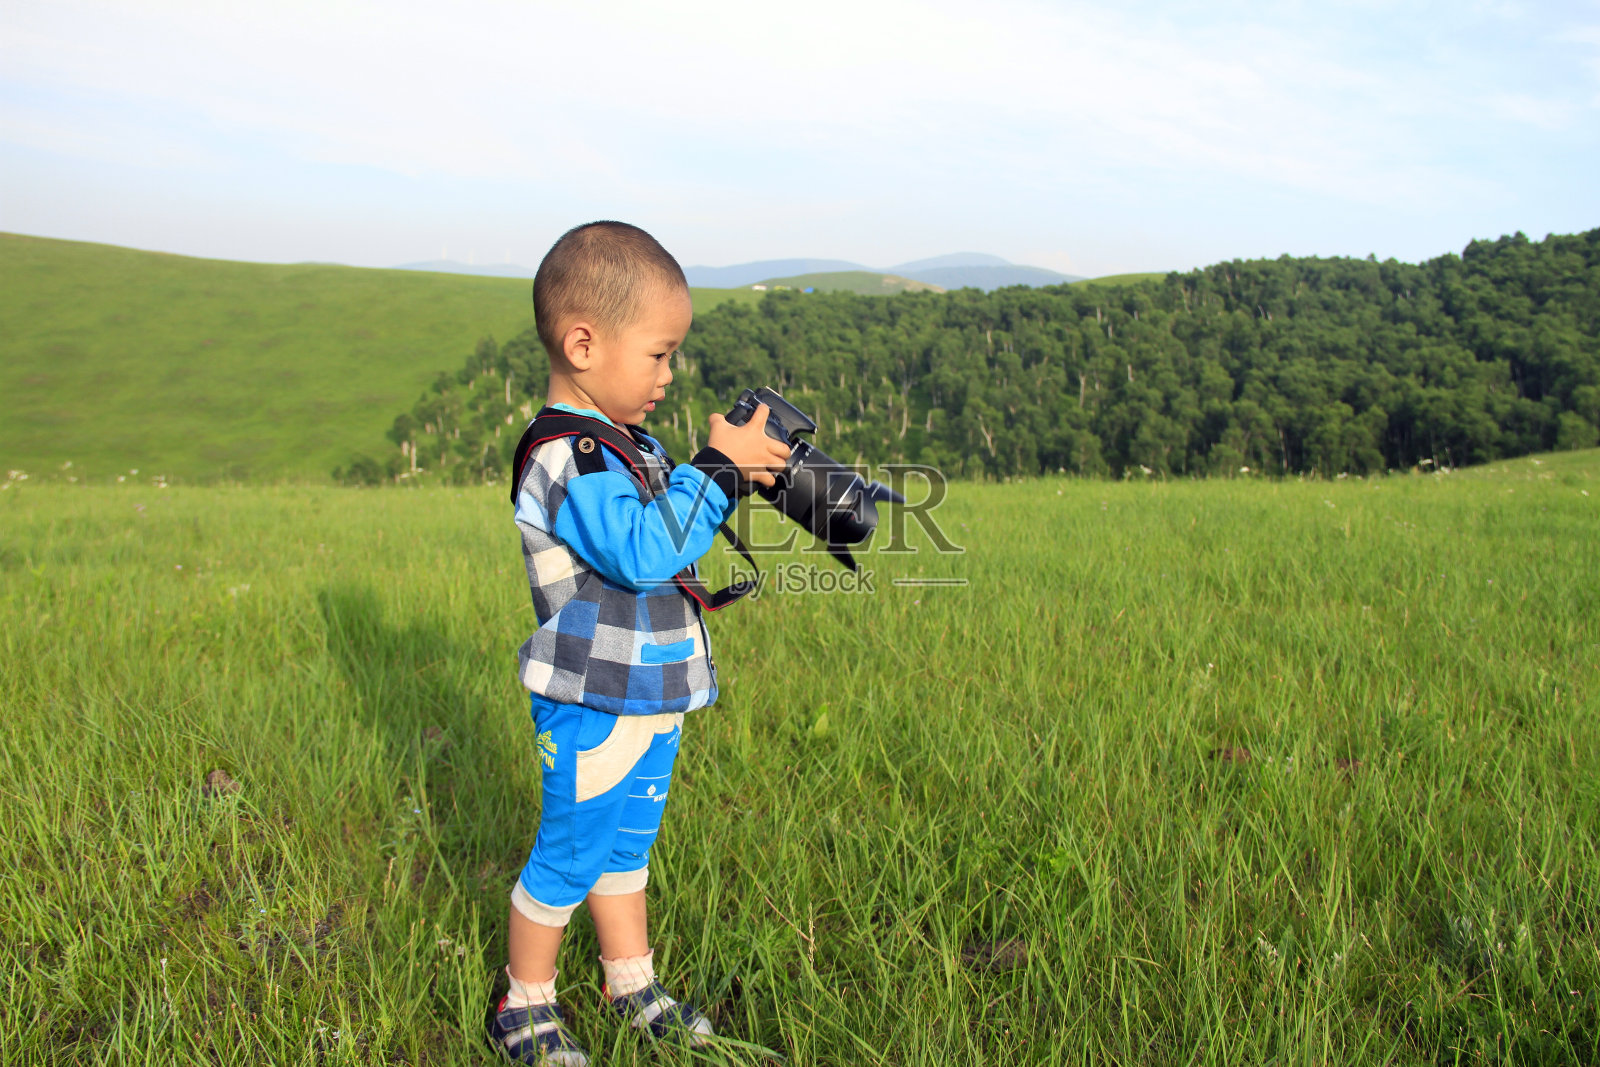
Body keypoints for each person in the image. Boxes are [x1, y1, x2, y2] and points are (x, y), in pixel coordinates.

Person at [489, 221, 790, 1066]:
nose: (668, 376)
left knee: (626, 851)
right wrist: (715, 471)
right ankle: (525, 1003)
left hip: (650, 691)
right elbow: (641, 550)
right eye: (658, 355)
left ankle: (631, 983)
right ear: (583, 342)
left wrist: (739, 475)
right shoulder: (571, 454)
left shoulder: (629, 446)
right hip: (593, 700)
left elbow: (674, 538)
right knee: (570, 854)